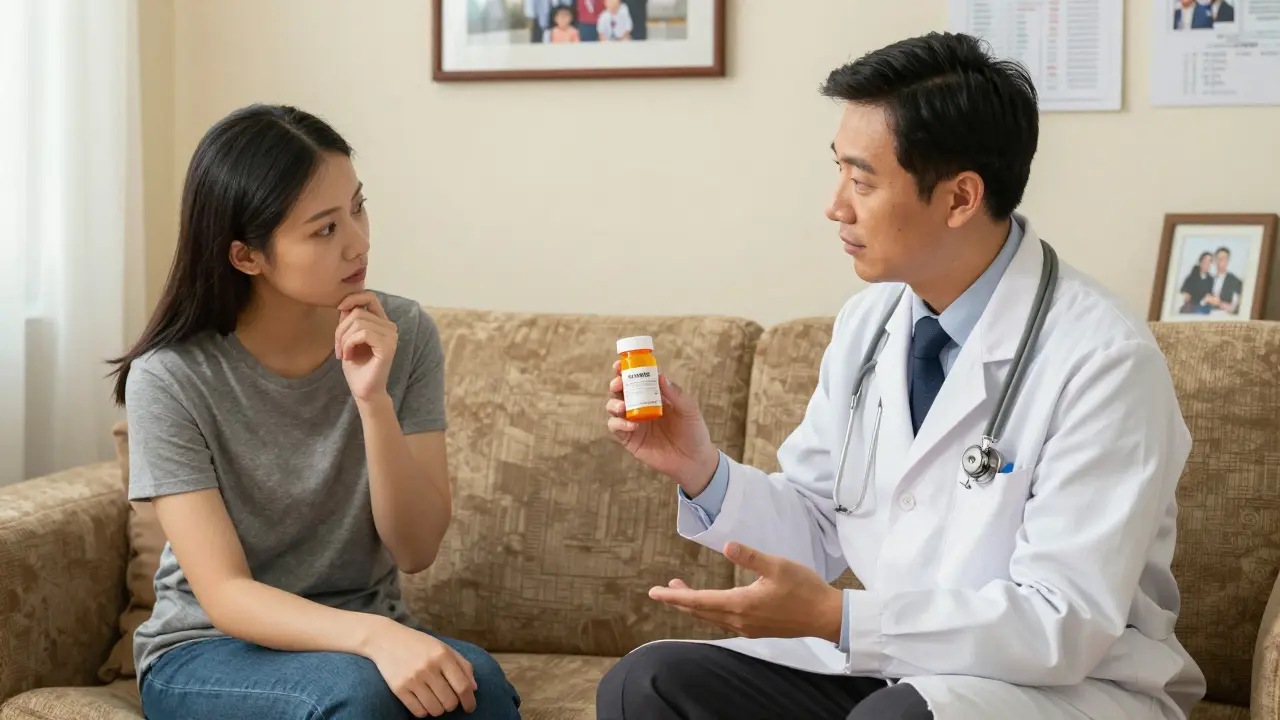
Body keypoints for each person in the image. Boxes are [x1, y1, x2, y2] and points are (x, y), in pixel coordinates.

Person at [597, 32, 1205, 720]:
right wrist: (700, 468)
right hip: (892, 669)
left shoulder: (1104, 361)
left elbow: (1060, 625)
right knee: (645, 682)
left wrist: (842, 619)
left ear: (959, 198)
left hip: (1060, 691)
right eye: (839, 173)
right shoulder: (870, 323)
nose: (836, 206)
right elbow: (817, 529)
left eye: (861, 181)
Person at [108, 104, 521, 720]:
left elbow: (415, 549)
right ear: (247, 257)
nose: (358, 240)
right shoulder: (171, 377)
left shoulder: (400, 331)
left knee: (477, 688)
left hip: (359, 641)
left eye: (357, 206)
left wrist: (372, 402)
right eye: (324, 229)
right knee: (361, 701)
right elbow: (224, 594)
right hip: (210, 650)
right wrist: (375, 637)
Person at [1207, 246, 1243, 314]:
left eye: (1223, 259)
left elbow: (1235, 308)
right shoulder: (1209, 279)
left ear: (1227, 261)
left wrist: (1219, 303)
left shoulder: (1235, 281)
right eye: (1217, 258)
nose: (1219, 261)